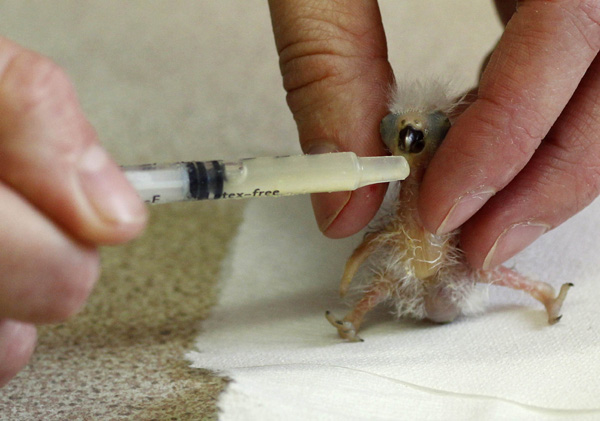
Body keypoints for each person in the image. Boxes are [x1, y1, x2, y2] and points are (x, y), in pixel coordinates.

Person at [2, 0, 599, 386]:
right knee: (392, 276)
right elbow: (375, 249)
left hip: (449, 283)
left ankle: (544, 294)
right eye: (403, 134)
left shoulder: (428, 196)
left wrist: (358, 273)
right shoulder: (410, 192)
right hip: (429, 284)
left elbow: (379, 245)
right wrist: (355, 284)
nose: (408, 140)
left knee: (468, 270)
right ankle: (525, 297)